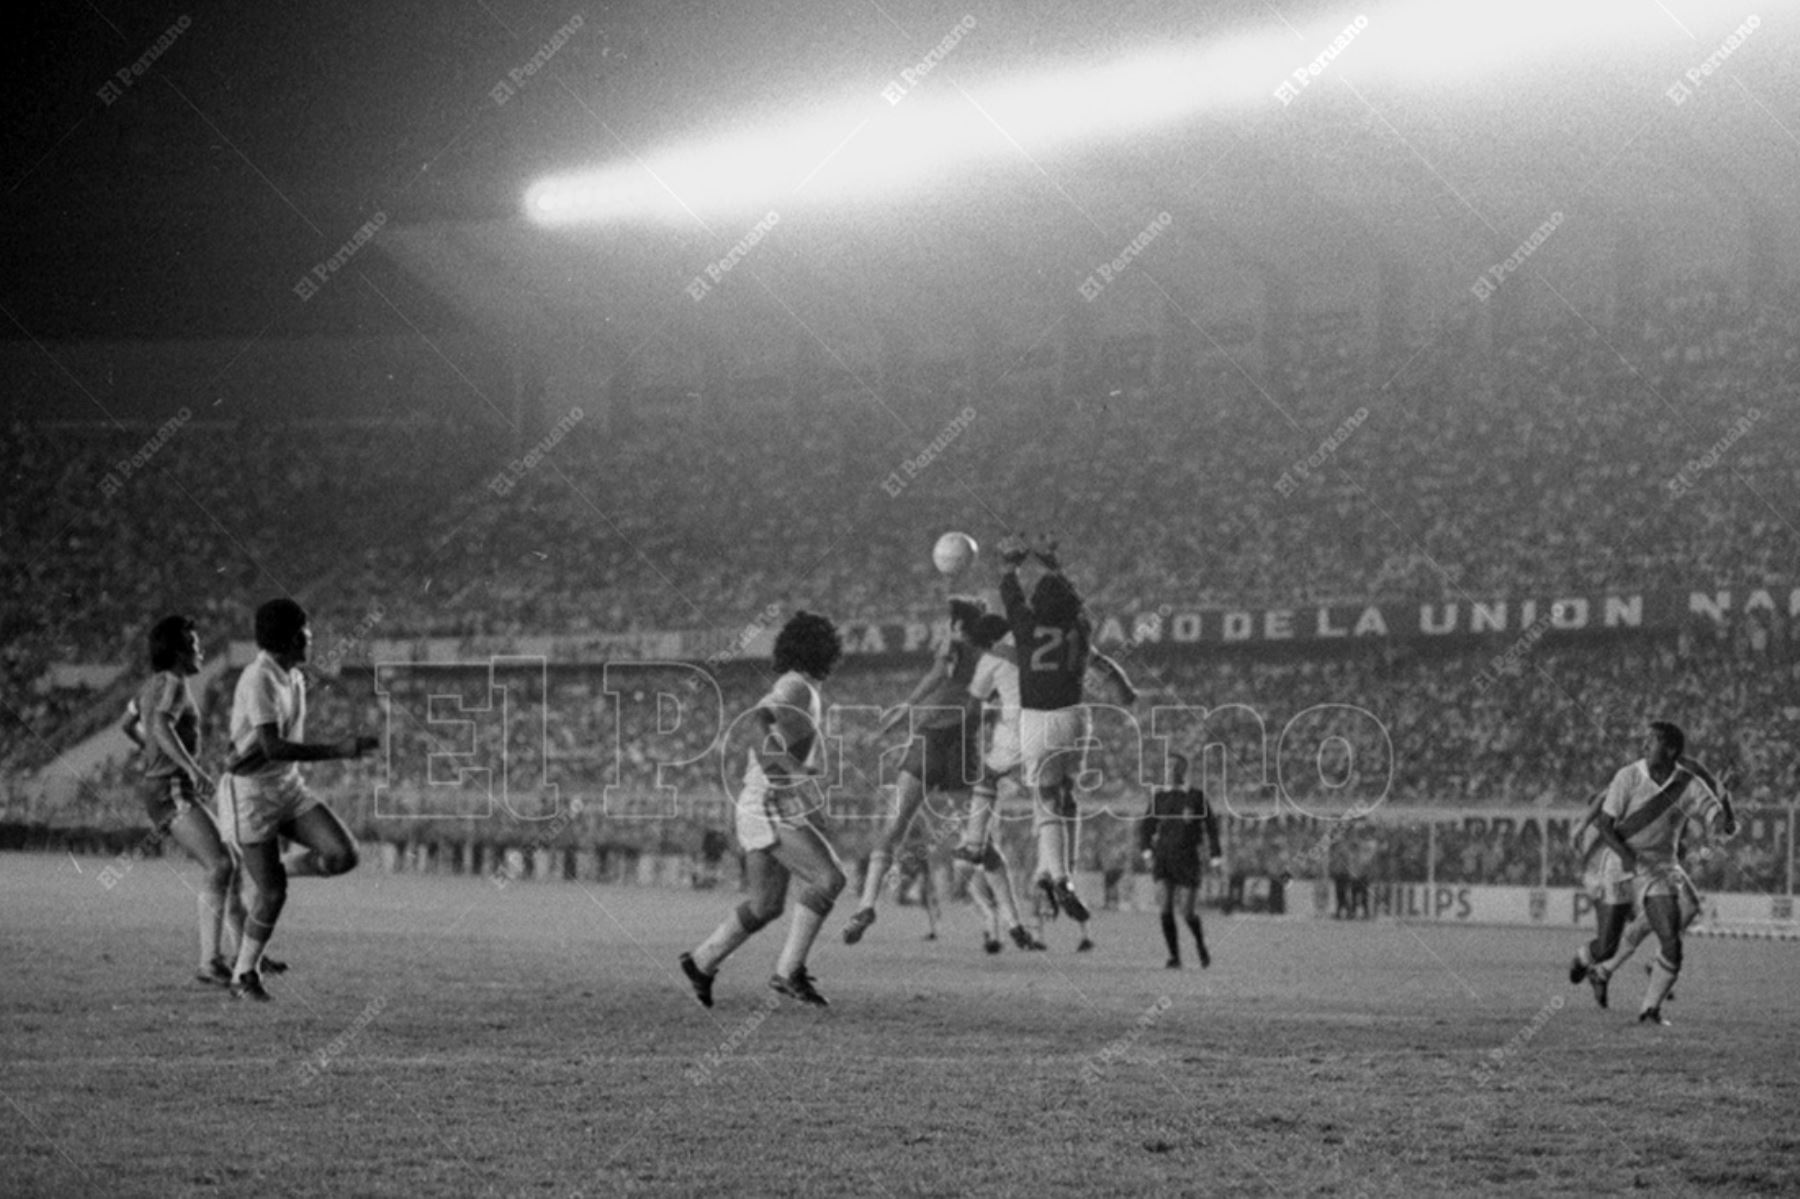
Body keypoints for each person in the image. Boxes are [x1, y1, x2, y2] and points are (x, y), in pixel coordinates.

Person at [681, 611, 848, 1008]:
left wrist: (798, 775)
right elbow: (759, 721)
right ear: (824, 650)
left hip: (763, 799)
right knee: (829, 879)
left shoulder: (800, 687)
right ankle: (788, 972)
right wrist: (797, 775)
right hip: (768, 801)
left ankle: (702, 961)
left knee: (766, 905)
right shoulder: (797, 686)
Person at [217, 599, 380, 1002]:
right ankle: (244, 974)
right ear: (291, 637)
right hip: (250, 793)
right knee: (273, 895)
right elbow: (271, 747)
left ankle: (274, 872)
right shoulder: (259, 679)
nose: (312, 637)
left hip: (285, 787)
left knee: (343, 855)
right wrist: (340, 750)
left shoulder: (292, 675)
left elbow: (268, 747)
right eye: (307, 631)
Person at [995, 534, 1133, 928]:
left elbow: (1011, 596)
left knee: (1045, 800)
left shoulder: (1025, 626)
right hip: (1075, 717)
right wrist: (1055, 566)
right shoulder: (1081, 628)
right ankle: (1051, 875)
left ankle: (1058, 877)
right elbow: (1075, 606)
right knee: (1068, 796)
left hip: (1037, 719)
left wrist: (1010, 565)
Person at [122, 614, 260, 985]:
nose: (201, 651)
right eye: (195, 645)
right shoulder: (174, 684)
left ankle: (243, 957)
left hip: (163, 784)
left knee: (228, 862)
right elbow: (162, 725)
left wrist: (151, 752)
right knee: (219, 865)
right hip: (170, 786)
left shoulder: (151, 685)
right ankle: (210, 962)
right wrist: (190, 768)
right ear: (179, 653)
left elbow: (128, 723)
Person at [842, 598, 985, 945]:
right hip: (965, 741)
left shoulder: (953, 643)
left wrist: (906, 707)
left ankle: (866, 905)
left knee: (895, 825)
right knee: (973, 833)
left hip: (932, 736)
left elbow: (939, 673)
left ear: (957, 624)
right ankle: (996, 915)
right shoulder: (992, 654)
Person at [1591, 721, 1735, 1025]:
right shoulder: (1629, 775)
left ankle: (1649, 1009)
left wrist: (1724, 803)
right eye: (1645, 740)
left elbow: (1720, 824)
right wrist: (1627, 858)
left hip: (1660, 867)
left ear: (1669, 750)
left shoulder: (1689, 784)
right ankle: (1599, 965)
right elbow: (1605, 823)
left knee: (1671, 935)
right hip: (1622, 863)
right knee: (1610, 942)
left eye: (1651, 741)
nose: (1644, 746)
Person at [953, 612, 1045, 953]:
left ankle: (996, 921)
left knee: (969, 858)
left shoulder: (988, 660)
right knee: (989, 858)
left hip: (1008, 736)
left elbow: (972, 706)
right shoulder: (1031, 646)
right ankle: (1013, 925)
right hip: (1050, 725)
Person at [1139, 753, 1222, 968]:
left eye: (1174, 767)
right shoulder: (1159, 797)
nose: (1169, 771)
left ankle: (1201, 945)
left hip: (1187, 859)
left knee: (1187, 912)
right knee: (1165, 908)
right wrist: (1147, 852)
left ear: (1183, 771)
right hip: (1163, 857)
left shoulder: (1196, 797)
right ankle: (1174, 957)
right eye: (1167, 767)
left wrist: (1215, 856)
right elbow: (1146, 827)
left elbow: (1211, 827)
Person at [1567, 787, 1633, 1007]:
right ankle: (1586, 959)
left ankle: (1598, 969)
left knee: (1616, 940)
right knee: (1608, 946)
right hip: (1601, 878)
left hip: (1620, 876)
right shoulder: (1601, 824)